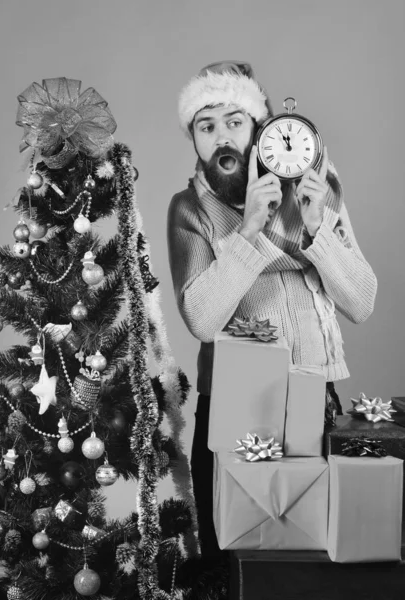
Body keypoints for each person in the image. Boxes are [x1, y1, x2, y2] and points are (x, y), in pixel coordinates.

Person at [167, 60, 377, 559]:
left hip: (314, 399)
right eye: (206, 125)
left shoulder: (315, 186)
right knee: (230, 559)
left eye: (234, 121)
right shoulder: (188, 209)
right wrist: (248, 234)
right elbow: (201, 318)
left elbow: (361, 303)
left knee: (312, 556)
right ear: (193, 138)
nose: (221, 136)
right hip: (233, 408)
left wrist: (317, 226)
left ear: (260, 127)